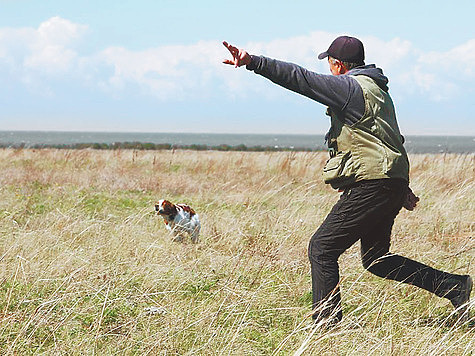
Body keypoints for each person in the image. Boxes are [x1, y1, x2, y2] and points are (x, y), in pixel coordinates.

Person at [222, 36, 472, 325]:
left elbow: (300, 79)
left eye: (329, 64)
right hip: (388, 181)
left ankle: (327, 327)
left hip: (373, 184)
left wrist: (254, 62)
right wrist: (400, 185)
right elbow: (388, 139)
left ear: (339, 65)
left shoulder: (348, 87)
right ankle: (453, 286)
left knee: (322, 248)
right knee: (377, 259)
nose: (329, 70)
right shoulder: (377, 90)